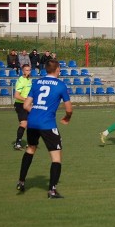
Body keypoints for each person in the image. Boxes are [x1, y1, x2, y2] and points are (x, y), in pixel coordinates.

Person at [16, 59, 72, 199]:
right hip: (47, 124)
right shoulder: (60, 85)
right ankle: (52, 190)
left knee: (30, 148)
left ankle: (21, 182)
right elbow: (69, 108)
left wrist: (36, 112)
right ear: (58, 69)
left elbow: (26, 105)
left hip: (32, 122)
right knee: (56, 157)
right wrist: (67, 117)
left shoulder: (37, 82)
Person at [12, 64, 32, 150]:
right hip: (20, 104)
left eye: (29, 70)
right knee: (24, 123)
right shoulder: (21, 81)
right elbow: (16, 95)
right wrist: (26, 100)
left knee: (31, 123)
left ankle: (30, 143)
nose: (28, 71)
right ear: (23, 71)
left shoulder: (29, 80)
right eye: (26, 70)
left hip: (27, 104)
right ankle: (18, 143)